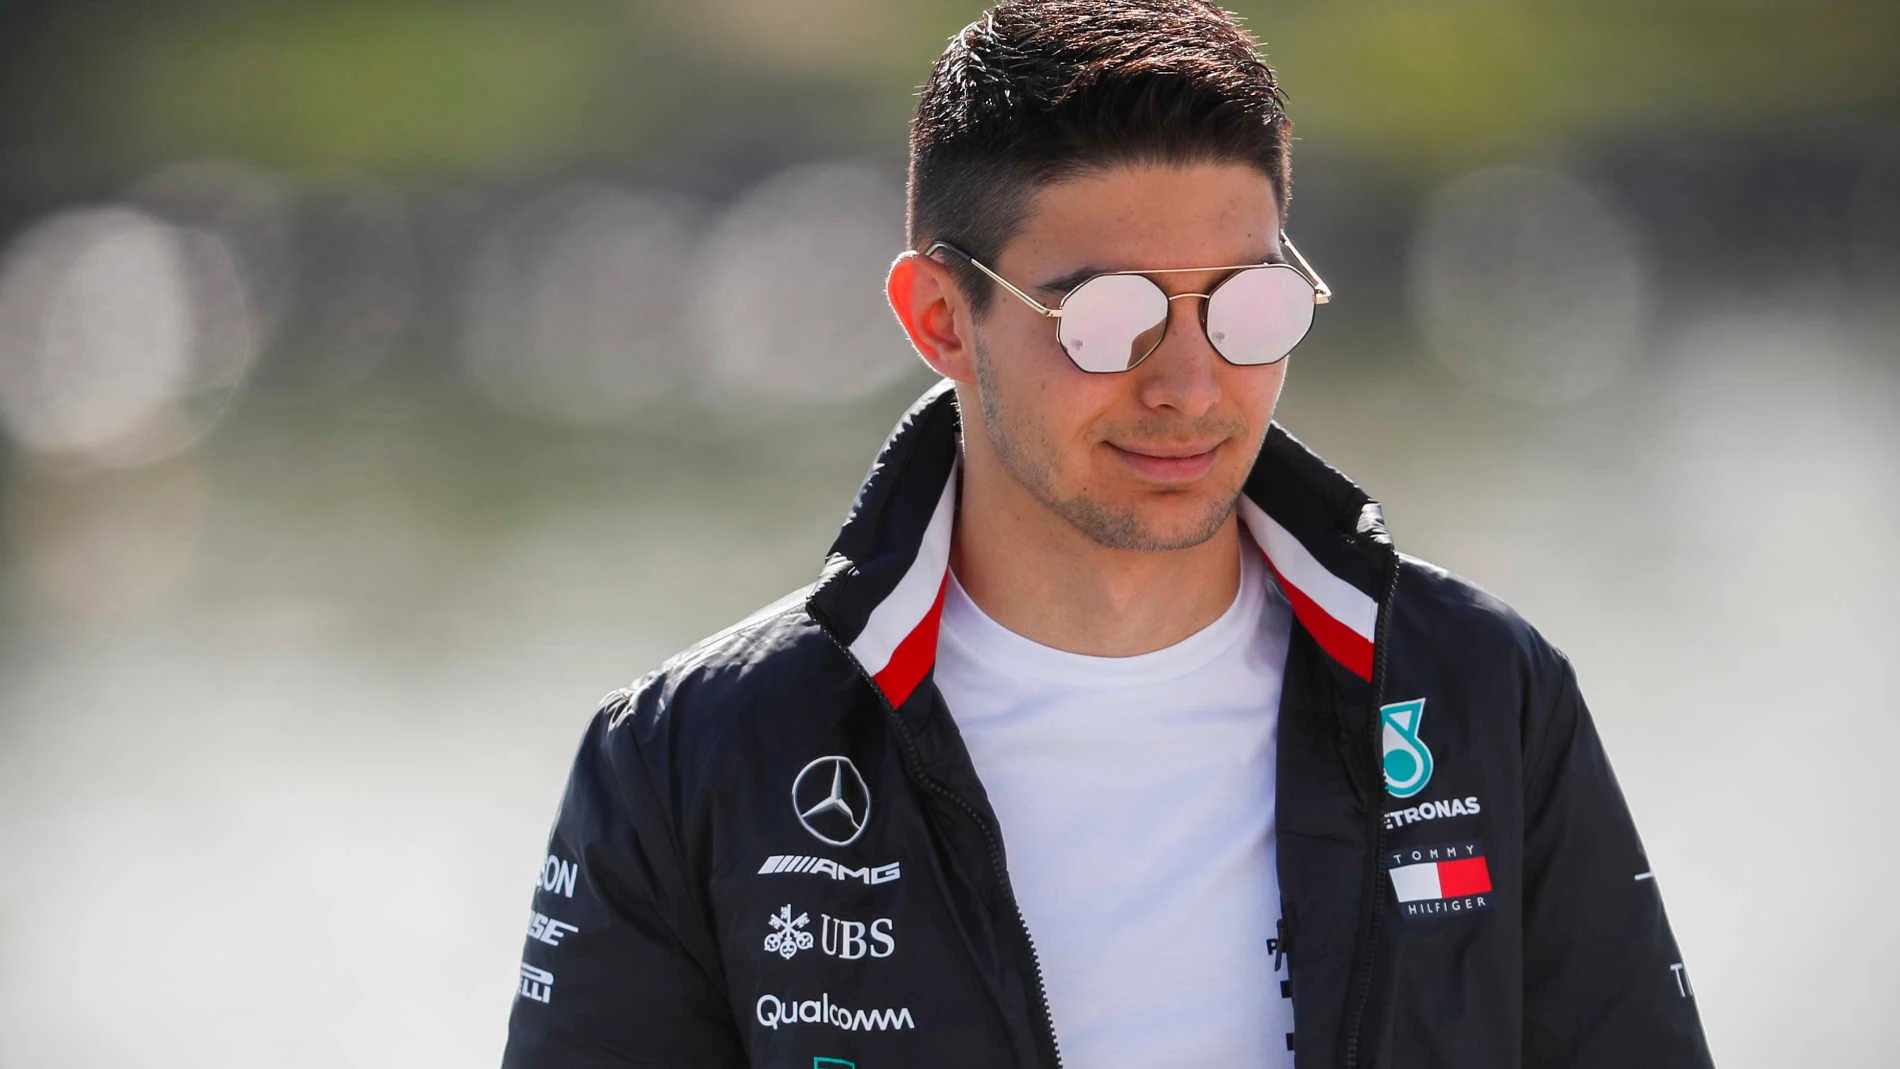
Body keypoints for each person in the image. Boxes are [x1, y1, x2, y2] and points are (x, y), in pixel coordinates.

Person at [501, 1, 1714, 1066]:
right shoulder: (688, 756)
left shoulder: (1481, 693)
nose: (1190, 384)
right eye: (1107, 317)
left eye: (1246, 306)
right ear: (938, 317)